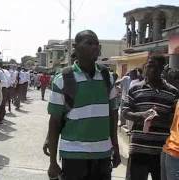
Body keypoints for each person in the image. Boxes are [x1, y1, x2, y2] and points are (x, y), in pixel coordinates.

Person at [47, 30, 120, 180]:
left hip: (103, 154)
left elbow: (113, 115)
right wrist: (52, 162)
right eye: (89, 43)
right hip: (73, 155)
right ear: (75, 47)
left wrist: (116, 149)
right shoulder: (62, 79)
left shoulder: (108, 78)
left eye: (97, 44)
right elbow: (54, 122)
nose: (95, 47)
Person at [123, 55, 179, 180]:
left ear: (162, 69)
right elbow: (125, 112)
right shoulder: (135, 89)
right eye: (149, 66)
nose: (151, 70)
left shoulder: (173, 92)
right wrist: (142, 115)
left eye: (155, 67)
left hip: (162, 151)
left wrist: (161, 116)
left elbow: (176, 118)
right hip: (138, 149)